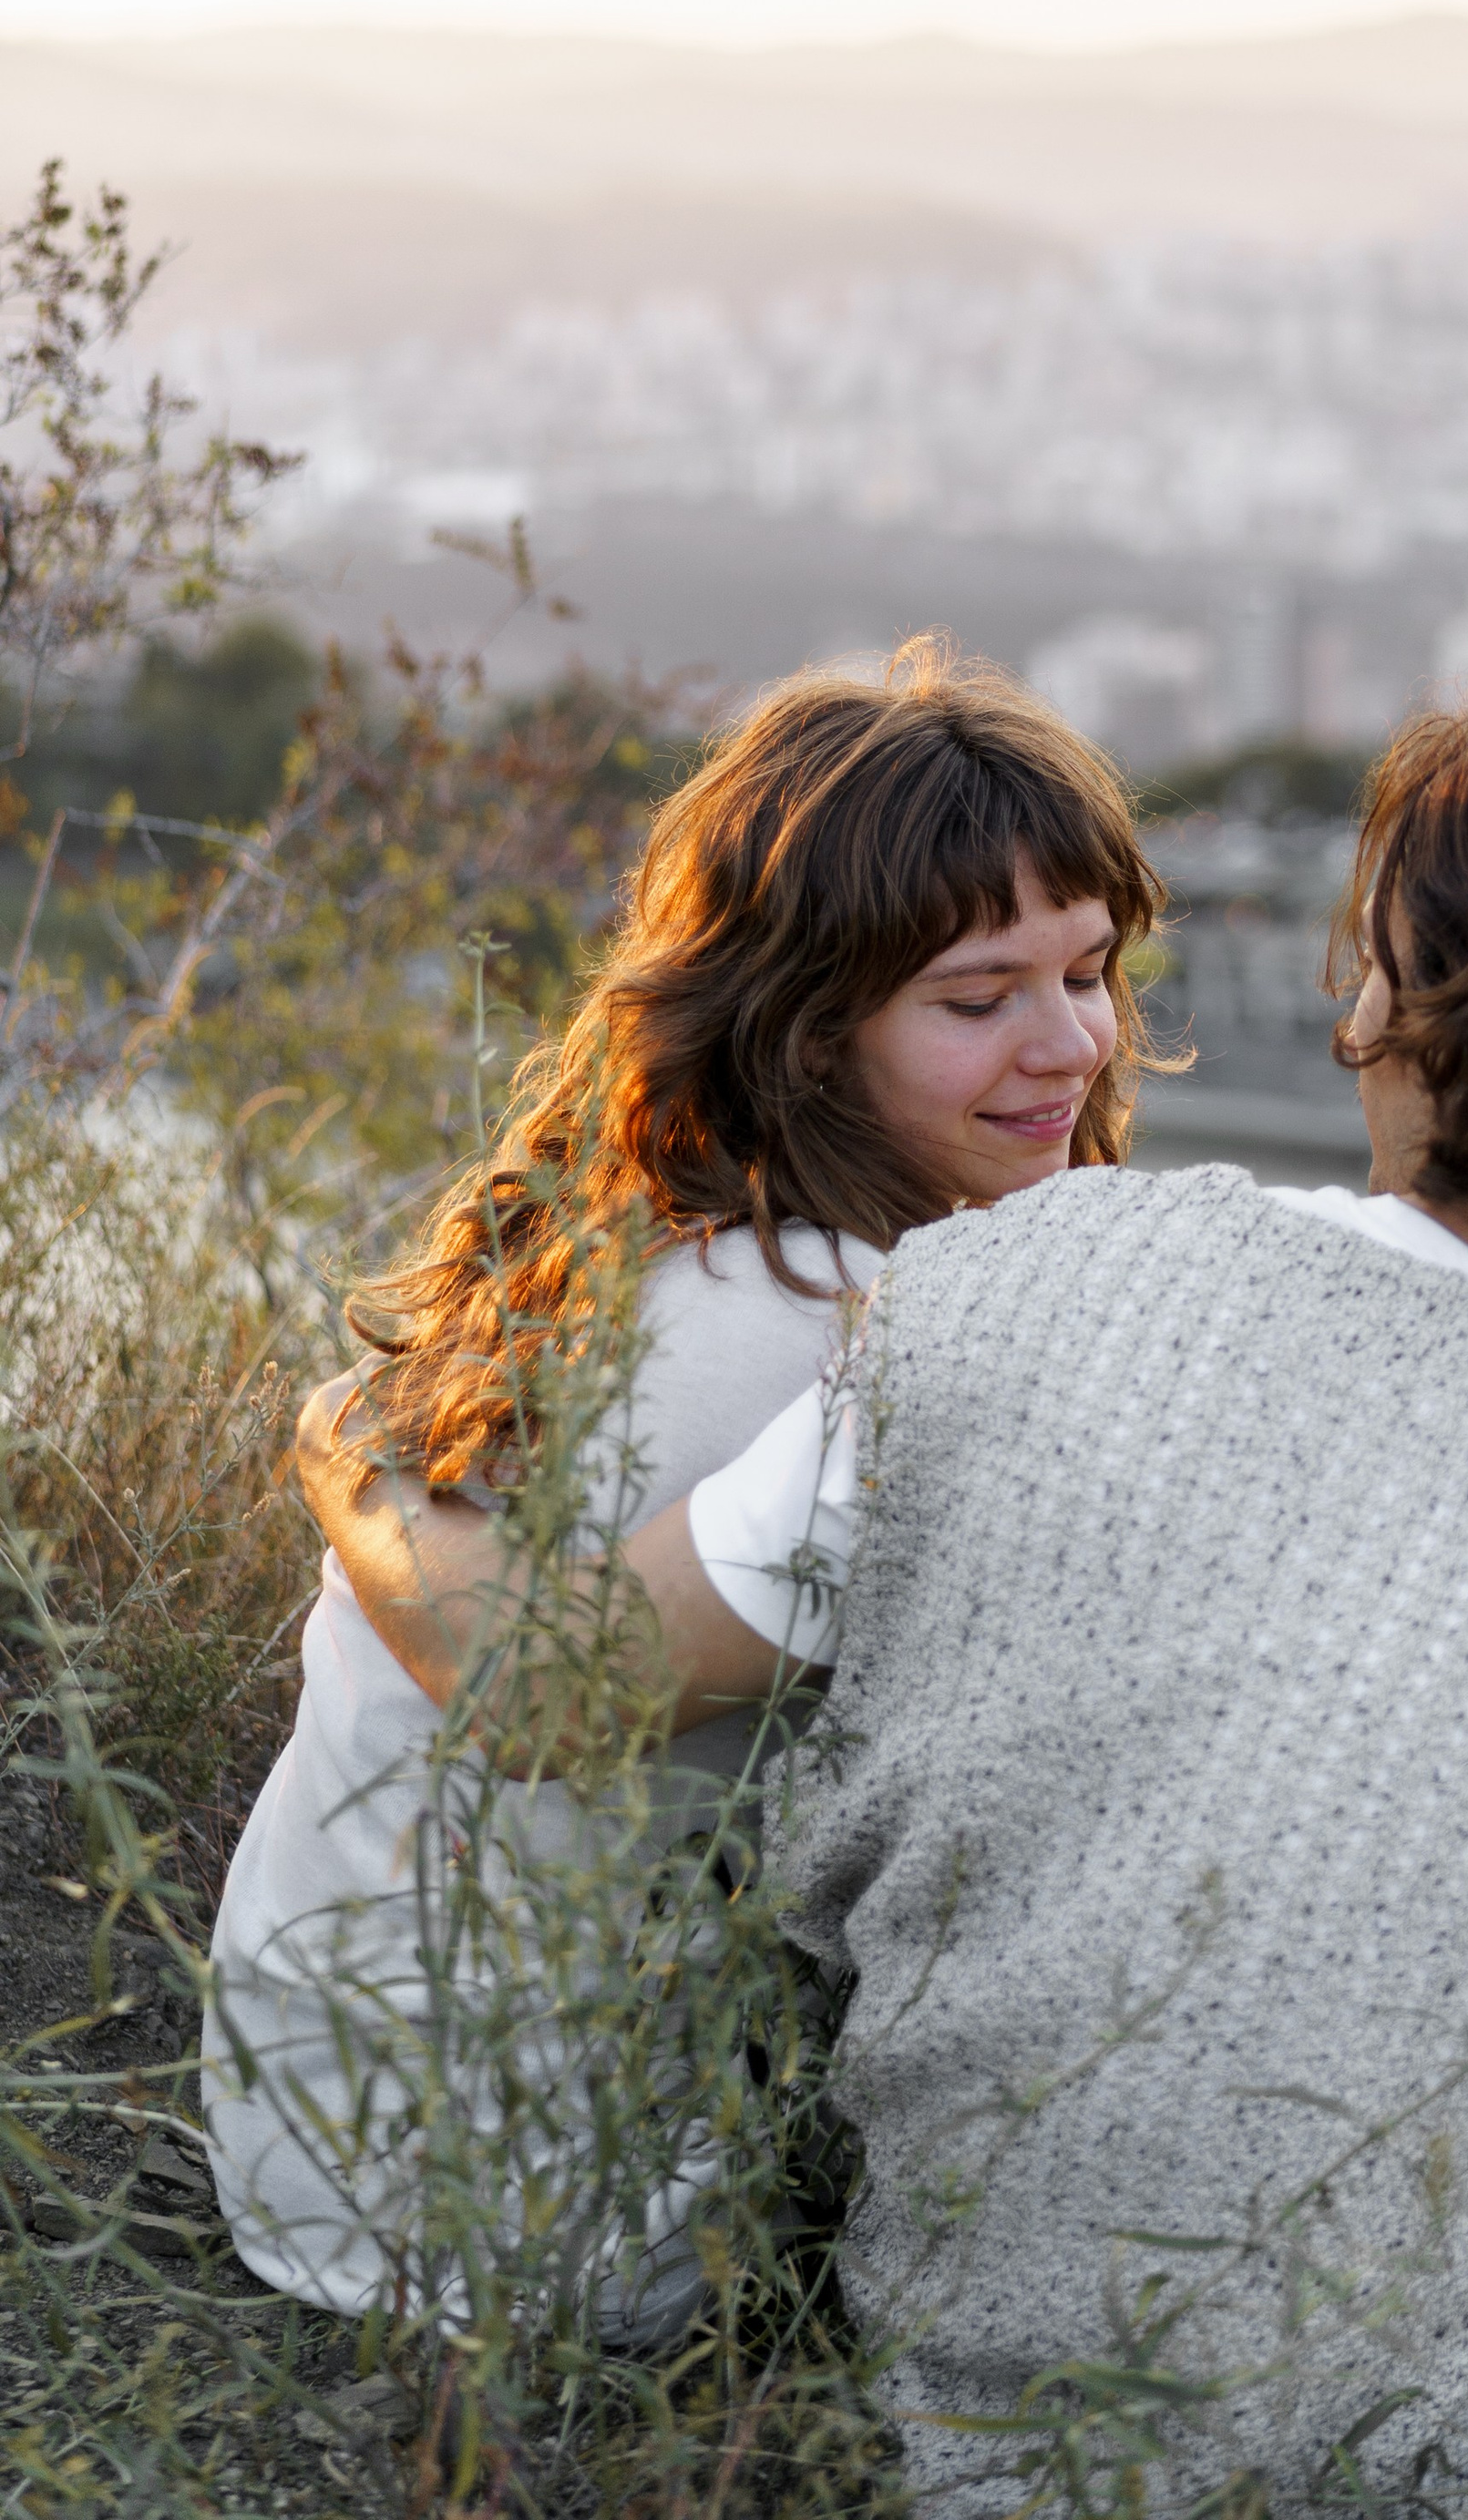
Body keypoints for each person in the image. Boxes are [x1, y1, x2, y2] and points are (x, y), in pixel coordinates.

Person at [309, 683, 1468, 2504]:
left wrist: (347, 1455)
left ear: (1382, 996)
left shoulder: (1038, 1284)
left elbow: (550, 1681)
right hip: (1425, 2465)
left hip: (920, 2419)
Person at [203, 641, 1164, 2335]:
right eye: (977, 997)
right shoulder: (836, 1326)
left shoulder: (655, 1223)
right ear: (805, 1030)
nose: (1070, 1042)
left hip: (325, 2127)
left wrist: (341, 1442)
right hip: (541, 2230)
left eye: (1087, 972)